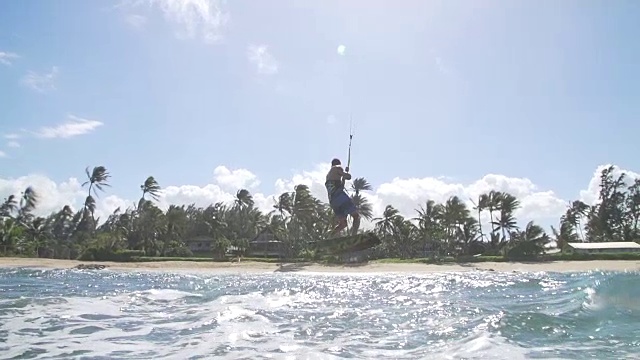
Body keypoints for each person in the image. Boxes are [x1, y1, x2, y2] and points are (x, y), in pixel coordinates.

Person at [325, 158, 360, 237]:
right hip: (340, 197)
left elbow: (341, 186)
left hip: (333, 202)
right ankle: (353, 236)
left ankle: (329, 236)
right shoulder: (337, 168)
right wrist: (346, 173)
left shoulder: (329, 175)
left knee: (343, 224)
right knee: (356, 216)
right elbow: (349, 177)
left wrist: (343, 178)